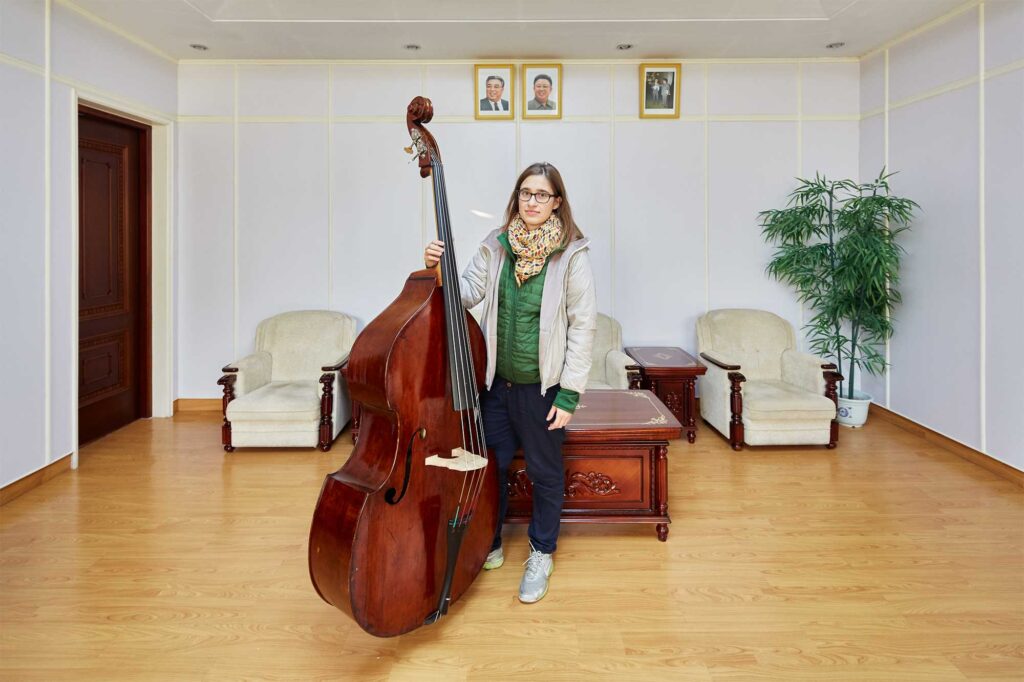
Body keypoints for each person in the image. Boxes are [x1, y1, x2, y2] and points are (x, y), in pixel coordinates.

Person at [423, 162, 596, 603]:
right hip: (496, 384)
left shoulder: (572, 253)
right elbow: (464, 297)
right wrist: (437, 271)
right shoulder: (496, 247)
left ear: (557, 201)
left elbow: (583, 327)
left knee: (543, 472)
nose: (532, 202)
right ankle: (490, 542)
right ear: (516, 198)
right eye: (525, 193)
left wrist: (570, 394)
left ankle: (541, 551)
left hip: (543, 389)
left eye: (541, 194)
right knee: (490, 467)